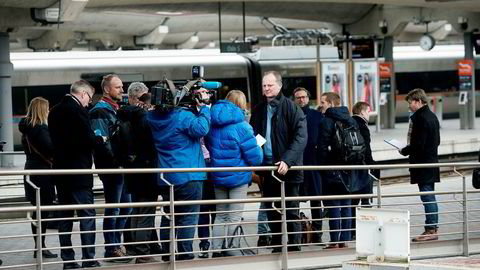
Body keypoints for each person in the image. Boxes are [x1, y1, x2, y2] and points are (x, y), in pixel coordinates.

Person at [147, 83, 211, 261]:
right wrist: (204, 107)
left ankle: (168, 253)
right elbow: (202, 129)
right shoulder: (181, 116)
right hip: (189, 174)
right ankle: (185, 255)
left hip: (166, 176)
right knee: (188, 217)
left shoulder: (151, 117)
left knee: (169, 216)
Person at [250, 71, 307, 253]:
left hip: (288, 169)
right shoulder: (259, 109)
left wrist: (287, 161)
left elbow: (300, 137)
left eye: (270, 85)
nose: (266, 88)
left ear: (280, 86)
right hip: (267, 168)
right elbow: (255, 134)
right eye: (264, 85)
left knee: (291, 210)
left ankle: (294, 246)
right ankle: (276, 246)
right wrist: (260, 150)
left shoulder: (291, 108)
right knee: (271, 209)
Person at [48, 80, 100, 269]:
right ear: (84, 94)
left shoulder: (54, 111)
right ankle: (89, 258)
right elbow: (86, 139)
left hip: (61, 172)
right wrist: (99, 139)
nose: (89, 102)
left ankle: (68, 260)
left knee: (66, 218)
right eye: (90, 98)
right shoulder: (78, 111)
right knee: (87, 215)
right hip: (79, 173)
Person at [207, 90, 263, 257]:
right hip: (238, 178)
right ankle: (231, 250)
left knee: (221, 215)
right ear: (241, 105)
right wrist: (258, 144)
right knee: (234, 217)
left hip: (218, 176)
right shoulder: (243, 127)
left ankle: (216, 250)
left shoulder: (212, 124)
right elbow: (256, 158)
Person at [89, 74, 132, 262]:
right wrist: (118, 161)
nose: (122, 90)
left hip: (121, 166)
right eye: (118, 87)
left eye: (122, 87)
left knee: (126, 207)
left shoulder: (115, 109)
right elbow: (101, 142)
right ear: (107, 89)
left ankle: (116, 244)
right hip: (112, 168)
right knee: (114, 208)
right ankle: (111, 247)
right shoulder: (99, 111)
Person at [118, 82, 161, 264]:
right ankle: (143, 254)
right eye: (146, 97)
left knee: (137, 211)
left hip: (131, 170)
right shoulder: (143, 117)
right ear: (138, 98)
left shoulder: (123, 114)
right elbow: (151, 143)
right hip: (146, 170)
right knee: (145, 213)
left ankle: (136, 249)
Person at [19, 97, 58, 259]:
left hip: (32, 171)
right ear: (42, 109)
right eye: (47, 108)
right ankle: (40, 247)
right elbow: (50, 149)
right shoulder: (39, 129)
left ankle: (39, 246)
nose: (49, 111)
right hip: (42, 173)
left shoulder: (27, 128)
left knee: (38, 210)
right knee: (42, 211)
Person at [399, 88, 440, 242]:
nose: (409, 106)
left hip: (422, 164)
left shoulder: (420, 118)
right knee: (430, 195)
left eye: (410, 103)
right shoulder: (432, 116)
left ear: (417, 101)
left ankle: (431, 230)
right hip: (431, 162)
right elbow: (437, 141)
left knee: (427, 196)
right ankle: (432, 228)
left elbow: (418, 144)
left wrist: (404, 150)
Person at [318, 92, 355, 249]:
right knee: (346, 204)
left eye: (323, 102)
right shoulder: (350, 119)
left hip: (332, 167)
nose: (321, 106)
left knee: (333, 205)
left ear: (331, 104)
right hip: (348, 168)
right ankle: (343, 240)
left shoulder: (327, 121)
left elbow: (322, 147)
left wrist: (322, 166)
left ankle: (334, 241)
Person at [293, 87, 325, 244]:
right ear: (294, 100)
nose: (301, 100)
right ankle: (297, 234)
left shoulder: (317, 116)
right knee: (295, 200)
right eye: (298, 98)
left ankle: (317, 233)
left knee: (316, 200)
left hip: (313, 163)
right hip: (296, 164)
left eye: (304, 97)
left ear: (308, 98)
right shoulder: (291, 115)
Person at [351, 101, 379, 239]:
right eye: (368, 111)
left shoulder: (348, 123)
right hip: (363, 169)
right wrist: (372, 165)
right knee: (366, 201)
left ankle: (351, 230)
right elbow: (367, 150)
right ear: (362, 112)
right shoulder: (363, 126)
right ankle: (365, 231)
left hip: (351, 168)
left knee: (353, 202)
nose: (368, 114)